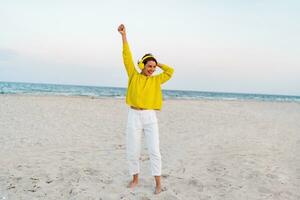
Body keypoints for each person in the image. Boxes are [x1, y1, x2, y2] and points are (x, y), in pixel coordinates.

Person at [118, 24, 174, 194]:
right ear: (142, 65)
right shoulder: (133, 75)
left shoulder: (156, 80)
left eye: (153, 67)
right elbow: (127, 56)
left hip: (150, 117)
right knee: (133, 150)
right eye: (149, 66)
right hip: (133, 115)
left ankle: (158, 183)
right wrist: (123, 35)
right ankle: (135, 178)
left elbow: (170, 71)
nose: (151, 70)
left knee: (154, 150)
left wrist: (158, 62)